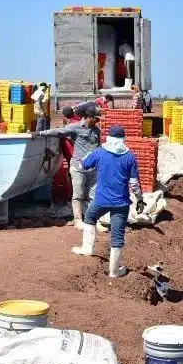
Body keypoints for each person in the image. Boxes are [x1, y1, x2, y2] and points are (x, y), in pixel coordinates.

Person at [71, 125, 145, 278]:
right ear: (123, 139)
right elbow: (134, 184)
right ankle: (114, 271)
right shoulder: (129, 156)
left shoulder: (99, 152)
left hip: (101, 200)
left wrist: (88, 160)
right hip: (121, 203)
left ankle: (87, 249)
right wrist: (139, 199)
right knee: (117, 236)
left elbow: (82, 165)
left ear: (108, 138)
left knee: (90, 217)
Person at [35, 107, 101, 230]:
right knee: (78, 194)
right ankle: (78, 220)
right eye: (96, 118)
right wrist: (39, 133)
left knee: (93, 194)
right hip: (78, 167)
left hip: (92, 168)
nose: (98, 121)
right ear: (90, 117)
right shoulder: (75, 127)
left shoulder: (96, 131)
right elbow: (58, 131)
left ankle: (93, 220)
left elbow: (97, 148)